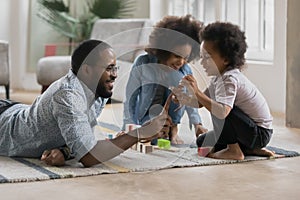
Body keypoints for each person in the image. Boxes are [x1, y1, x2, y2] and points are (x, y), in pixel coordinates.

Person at [0, 39, 171, 167]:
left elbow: (82, 137)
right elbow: (89, 155)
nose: (115, 74)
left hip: (15, 110)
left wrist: (65, 151)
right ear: (87, 70)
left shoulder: (99, 90)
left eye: (115, 67)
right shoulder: (68, 96)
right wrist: (140, 133)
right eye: (108, 68)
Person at [171, 22, 275, 160]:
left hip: (259, 133)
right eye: (202, 57)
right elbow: (200, 102)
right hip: (246, 131)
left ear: (225, 59)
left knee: (219, 110)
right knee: (202, 141)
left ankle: (234, 151)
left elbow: (221, 111)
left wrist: (197, 91)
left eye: (207, 57)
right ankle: (251, 149)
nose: (202, 62)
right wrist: (183, 98)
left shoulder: (229, 79)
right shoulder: (218, 79)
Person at [123, 15, 207, 145]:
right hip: (147, 116)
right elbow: (130, 98)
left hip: (172, 117)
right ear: (164, 50)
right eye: (176, 56)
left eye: (185, 57)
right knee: (153, 139)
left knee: (181, 84)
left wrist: (197, 124)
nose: (181, 62)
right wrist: (129, 126)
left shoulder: (185, 69)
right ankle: (158, 130)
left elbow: (191, 101)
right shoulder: (142, 63)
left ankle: (173, 129)